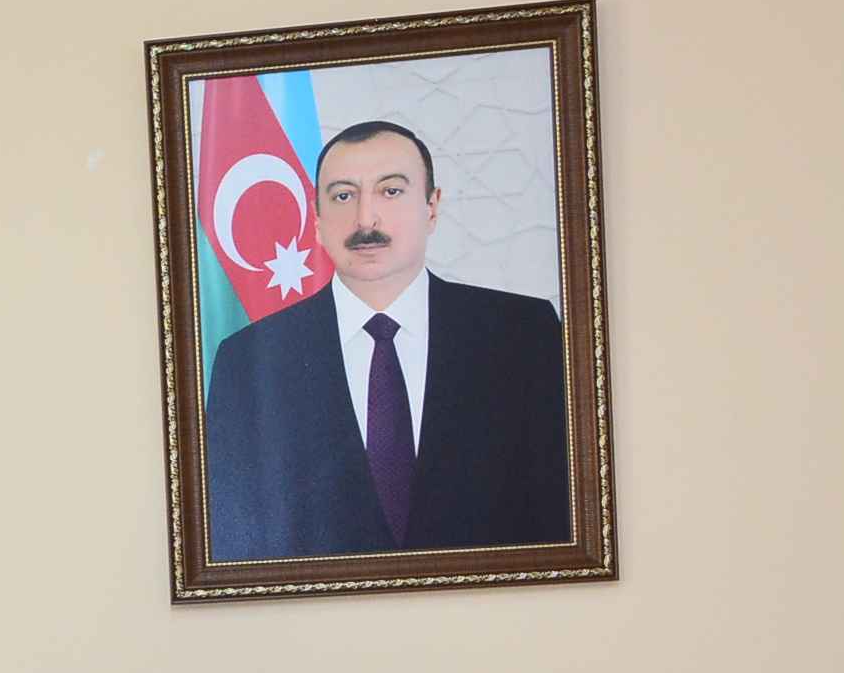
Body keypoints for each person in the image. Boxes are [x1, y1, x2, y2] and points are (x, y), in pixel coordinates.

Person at [203, 118, 573, 561]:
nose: (365, 219)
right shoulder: (248, 360)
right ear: (317, 219)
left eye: (391, 191)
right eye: (343, 196)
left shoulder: (524, 334)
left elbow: (563, 517)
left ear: (432, 207)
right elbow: (231, 539)